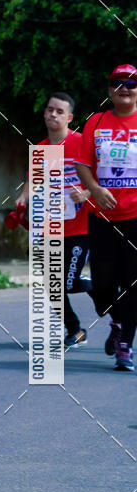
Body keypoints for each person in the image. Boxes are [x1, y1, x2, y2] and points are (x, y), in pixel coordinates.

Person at [16, 92, 92, 347]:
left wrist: (87, 192)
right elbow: (33, 181)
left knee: (69, 283)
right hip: (47, 227)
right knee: (50, 283)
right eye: (50, 109)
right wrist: (23, 197)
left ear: (69, 117)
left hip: (79, 227)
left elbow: (98, 181)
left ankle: (102, 287)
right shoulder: (40, 149)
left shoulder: (82, 143)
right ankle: (75, 329)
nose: (53, 114)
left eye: (60, 111)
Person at [75, 64, 137, 371]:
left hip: (136, 216)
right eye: (117, 82)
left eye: (131, 83)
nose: (124, 87)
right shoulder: (96, 122)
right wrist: (95, 190)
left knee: (132, 282)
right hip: (101, 217)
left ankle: (125, 346)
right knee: (102, 284)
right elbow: (83, 164)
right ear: (109, 89)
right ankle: (116, 322)